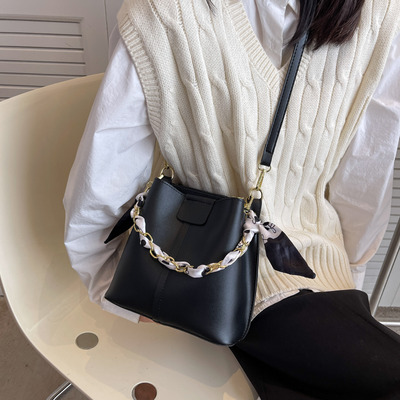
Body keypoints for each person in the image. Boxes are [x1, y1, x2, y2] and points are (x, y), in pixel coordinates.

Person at [63, 0, 400, 398]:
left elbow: (102, 182)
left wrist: (107, 280)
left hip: (220, 267)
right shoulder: (162, 14)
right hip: (208, 271)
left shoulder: (380, 16)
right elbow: (363, 182)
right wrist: (115, 289)